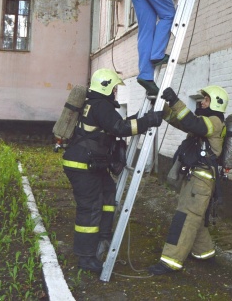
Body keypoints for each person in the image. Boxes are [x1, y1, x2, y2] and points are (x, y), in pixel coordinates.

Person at [62, 68, 164, 273]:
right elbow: (121, 128)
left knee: (108, 196)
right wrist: (149, 121)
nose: (116, 92)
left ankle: (104, 236)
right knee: (89, 209)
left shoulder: (95, 104)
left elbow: (119, 124)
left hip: (93, 165)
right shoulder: (100, 105)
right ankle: (86, 257)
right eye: (115, 88)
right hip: (83, 166)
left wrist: (142, 118)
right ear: (106, 86)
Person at [148, 84, 229, 275]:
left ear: (216, 103)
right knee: (195, 217)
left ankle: (170, 261)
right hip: (195, 177)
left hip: (200, 181)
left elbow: (193, 123)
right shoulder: (206, 120)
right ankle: (204, 253)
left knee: (185, 218)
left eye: (207, 100)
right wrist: (164, 107)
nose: (202, 102)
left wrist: (175, 101)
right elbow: (183, 123)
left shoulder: (215, 121)